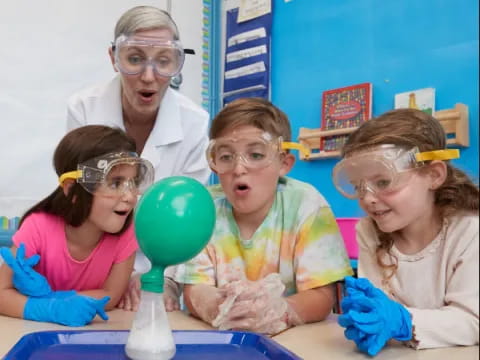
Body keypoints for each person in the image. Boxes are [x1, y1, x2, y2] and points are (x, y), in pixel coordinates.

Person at [66, 6, 211, 311]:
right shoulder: (84, 109)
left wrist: (164, 280)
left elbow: (188, 216)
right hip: (97, 269)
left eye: (163, 61)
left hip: (163, 268)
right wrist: (120, 275)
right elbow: (81, 202)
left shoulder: (194, 123)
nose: (148, 76)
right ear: (113, 58)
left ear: (176, 63)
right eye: (134, 59)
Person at [173, 97, 354, 335]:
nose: (239, 169)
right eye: (226, 156)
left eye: (256, 155)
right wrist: (216, 305)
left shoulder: (306, 204)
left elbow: (322, 296)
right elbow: (194, 289)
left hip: (291, 340)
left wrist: (283, 310)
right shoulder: (204, 208)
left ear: (284, 163)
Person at [333, 109, 479, 355]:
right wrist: (366, 318)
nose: (368, 199)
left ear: (433, 175)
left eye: (383, 182)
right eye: (359, 186)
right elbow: (377, 307)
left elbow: (473, 321)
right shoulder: (369, 231)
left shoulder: (469, 230)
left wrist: (403, 321)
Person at [0, 125, 154, 326]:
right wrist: (49, 308)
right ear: (72, 189)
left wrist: (53, 298)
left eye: (133, 182)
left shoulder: (127, 233)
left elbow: (111, 295)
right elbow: (1, 294)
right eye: (116, 183)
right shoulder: (37, 228)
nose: (130, 196)